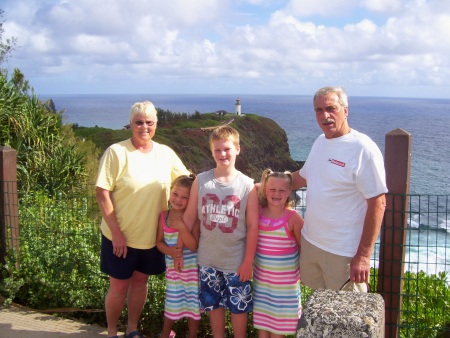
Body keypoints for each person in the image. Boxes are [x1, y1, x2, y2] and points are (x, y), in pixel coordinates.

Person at [96, 101, 190, 338]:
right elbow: (102, 193)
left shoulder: (165, 153)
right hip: (120, 237)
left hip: (151, 238)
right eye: (139, 122)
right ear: (131, 124)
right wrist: (116, 233)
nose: (144, 127)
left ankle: (132, 329)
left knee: (140, 283)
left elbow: (188, 183)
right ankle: (111, 332)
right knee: (118, 287)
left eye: (149, 122)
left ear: (156, 124)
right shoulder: (116, 152)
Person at [292, 86, 387, 291]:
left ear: (345, 110)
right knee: (319, 311)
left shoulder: (363, 149)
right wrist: (261, 186)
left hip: (344, 253)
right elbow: (301, 177)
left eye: (331, 108)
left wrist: (363, 256)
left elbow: (378, 203)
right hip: (311, 243)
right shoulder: (320, 142)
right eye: (318, 110)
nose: (325, 116)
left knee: (348, 317)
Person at [182, 125, 259, 338]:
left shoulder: (247, 185)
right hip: (207, 260)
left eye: (227, 149)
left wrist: (248, 262)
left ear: (237, 149)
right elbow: (189, 217)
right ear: (211, 151)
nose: (223, 154)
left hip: (236, 263)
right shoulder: (201, 180)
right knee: (213, 307)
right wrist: (178, 249)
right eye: (217, 150)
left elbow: (253, 226)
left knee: (238, 309)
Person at [253, 169, 303, 338]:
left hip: (285, 290)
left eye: (282, 190)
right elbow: (251, 190)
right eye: (272, 189)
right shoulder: (257, 214)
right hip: (262, 285)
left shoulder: (293, 218)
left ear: (289, 192)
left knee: (278, 332)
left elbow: (303, 248)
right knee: (263, 328)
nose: (276, 194)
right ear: (265, 190)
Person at [156, 174, 201, 338]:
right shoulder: (164, 216)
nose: (178, 199)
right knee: (172, 305)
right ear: (170, 192)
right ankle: (165, 334)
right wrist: (171, 252)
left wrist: (182, 227)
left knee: (193, 308)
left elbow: (193, 245)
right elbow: (159, 242)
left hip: (192, 273)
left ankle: (193, 335)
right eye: (175, 194)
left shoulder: (194, 219)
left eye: (184, 197)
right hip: (173, 273)